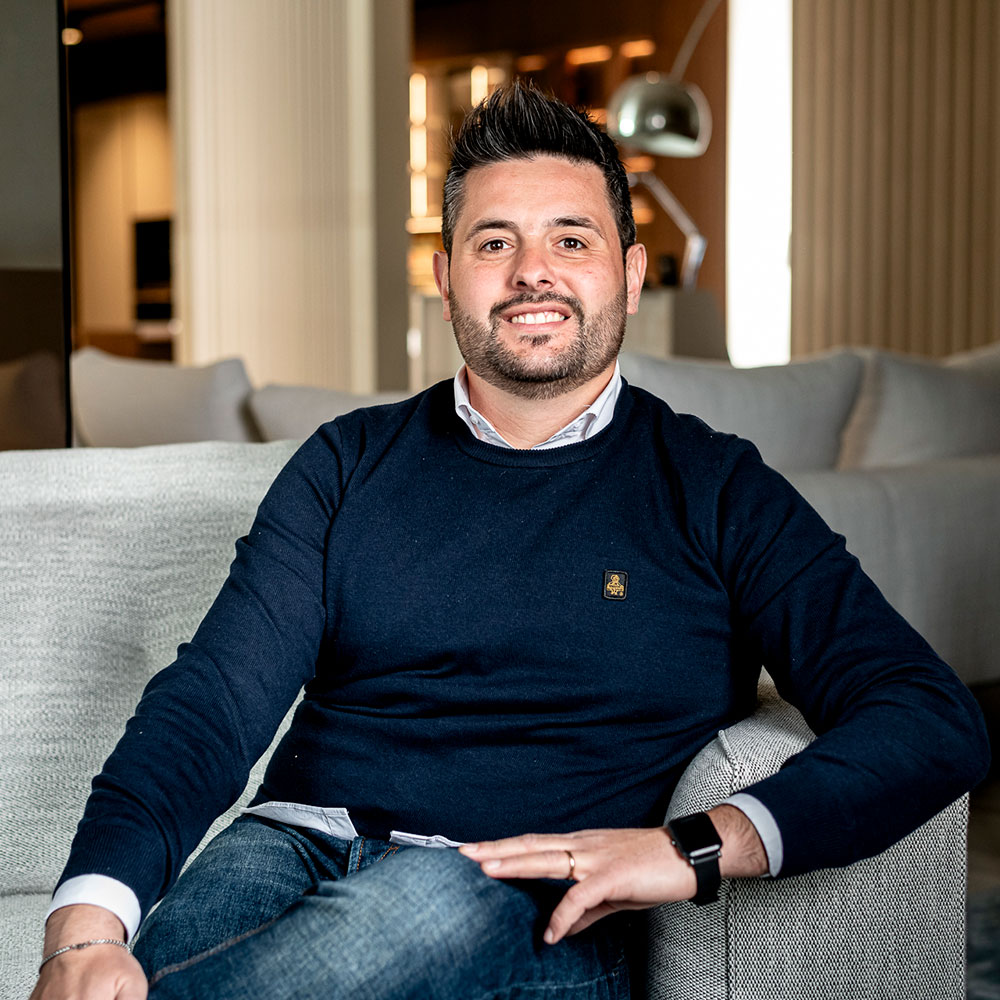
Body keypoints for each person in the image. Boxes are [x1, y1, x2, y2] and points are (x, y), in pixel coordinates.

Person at [32, 81, 989, 1000]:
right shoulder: (345, 464)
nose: (534, 270)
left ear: (631, 274)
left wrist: (700, 844)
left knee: (427, 899)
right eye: (495, 242)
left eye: (571, 239)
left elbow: (926, 714)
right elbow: (213, 700)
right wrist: (86, 926)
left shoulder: (717, 487)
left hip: (531, 904)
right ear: (446, 280)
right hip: (294, 846)